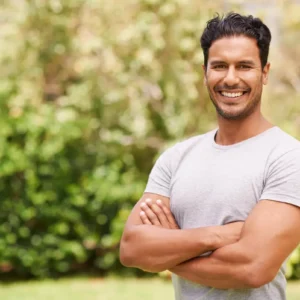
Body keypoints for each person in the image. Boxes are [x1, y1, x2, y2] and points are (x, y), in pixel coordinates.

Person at [119, 12, 300, 300]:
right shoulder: (176, 158)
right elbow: (131, 249)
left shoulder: (288, 158)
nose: (230, 78)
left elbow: (253, 268)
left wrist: (169, 251)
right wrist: (218, 235)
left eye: (244, 66)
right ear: (205, 72)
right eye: (219, 66)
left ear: (264, 73)